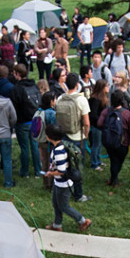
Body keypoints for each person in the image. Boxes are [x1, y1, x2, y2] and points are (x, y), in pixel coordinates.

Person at [43, 124, 92, 232]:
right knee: (56, 204)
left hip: (63, 184)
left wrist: (50, 174)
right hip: (59, 182)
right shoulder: (60, 145)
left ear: (50, 137)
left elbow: (61, 171)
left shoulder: (59, 151)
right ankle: (57, 225)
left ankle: (83, 221)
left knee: (64, 206)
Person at [55, 73, 91, 202]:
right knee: (77, 166)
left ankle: (65, 191)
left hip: (63, 135)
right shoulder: (81, 100)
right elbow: (86, 122)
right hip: (77, 137)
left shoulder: (60, 98)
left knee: (65, 164)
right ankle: (79, 194)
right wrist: (86, 134)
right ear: (77, 84)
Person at [9, 63, 43, 177]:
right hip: (35, 120)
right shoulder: (34, 86)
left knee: (24, 147)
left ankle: (25, 171)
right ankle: (38, 170)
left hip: (22, 122)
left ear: (17, 74)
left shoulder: (17, 89)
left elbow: (13, 107)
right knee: (35, 146)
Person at [98, 91, 130, 187]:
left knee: (113, 160)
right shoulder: (126, 113)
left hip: (109, 141)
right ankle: (115, 179)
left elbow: (99, 123)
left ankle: (113, 179)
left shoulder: (106, 111)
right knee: (119, 161)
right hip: (123, 142)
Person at [87, 80, 108, 171]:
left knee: (99, 144)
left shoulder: (101, 97)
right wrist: (101, 121)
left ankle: (98, 161)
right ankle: (94, 163)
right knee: (96, 144)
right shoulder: (96, 99)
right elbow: (93, 114)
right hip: (97, 126)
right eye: (106, 86)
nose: (108, 87)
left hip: (100, 126)